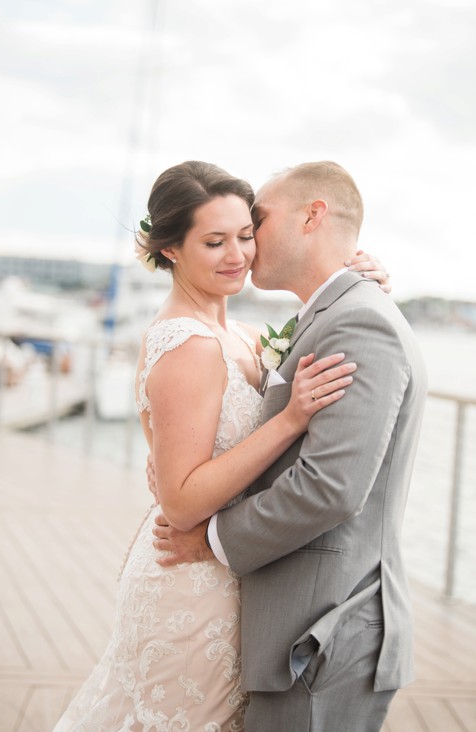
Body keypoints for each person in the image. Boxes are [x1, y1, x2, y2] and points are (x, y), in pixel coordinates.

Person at [53, 161, 392, 731]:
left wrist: (362, 279)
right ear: (170, 250)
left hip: (227, 573)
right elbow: (182, 503)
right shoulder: (187, 343)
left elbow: (321, 316)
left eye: (245, 235)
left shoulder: (240, 335)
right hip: (189, 582)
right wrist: (288, 420)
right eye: (214, 241)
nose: (237, 254)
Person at [152, 162, 426, 731]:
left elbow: (330, 488)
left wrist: (214, 542)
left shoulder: (358, 323)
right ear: (173, 249)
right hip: (282, 619)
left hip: (323, 625)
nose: (246, 247)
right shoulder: (319, 318)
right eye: (221, 237)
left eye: (255, 226)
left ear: (313, 216)